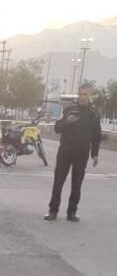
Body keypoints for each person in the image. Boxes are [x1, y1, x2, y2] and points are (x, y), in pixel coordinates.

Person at [45, 84, 101, 222]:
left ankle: (72, 212)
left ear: (90, 96)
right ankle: (53, 211)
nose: (83, 97)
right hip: (65, 152)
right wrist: (67, 123)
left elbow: (96, 135)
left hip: (81, 154)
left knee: (76, 184)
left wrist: (95, 154)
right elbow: (58, 128)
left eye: (86, 94)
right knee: (58, 182)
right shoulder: (69, 111)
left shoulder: (93, 114)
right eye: (81, 94)